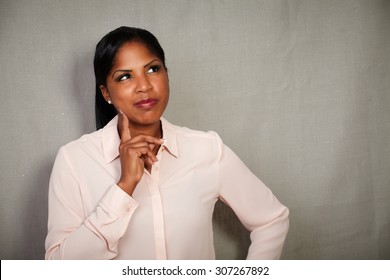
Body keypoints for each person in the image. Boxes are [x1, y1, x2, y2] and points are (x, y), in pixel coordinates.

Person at [45, 26, 289, 260]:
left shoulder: (207, 149)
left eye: (152, 69)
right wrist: (124, 187)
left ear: (167, 74)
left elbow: (271, 220)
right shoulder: (74, 160)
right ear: (106, 93)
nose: (144, 86)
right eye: (125, 76)